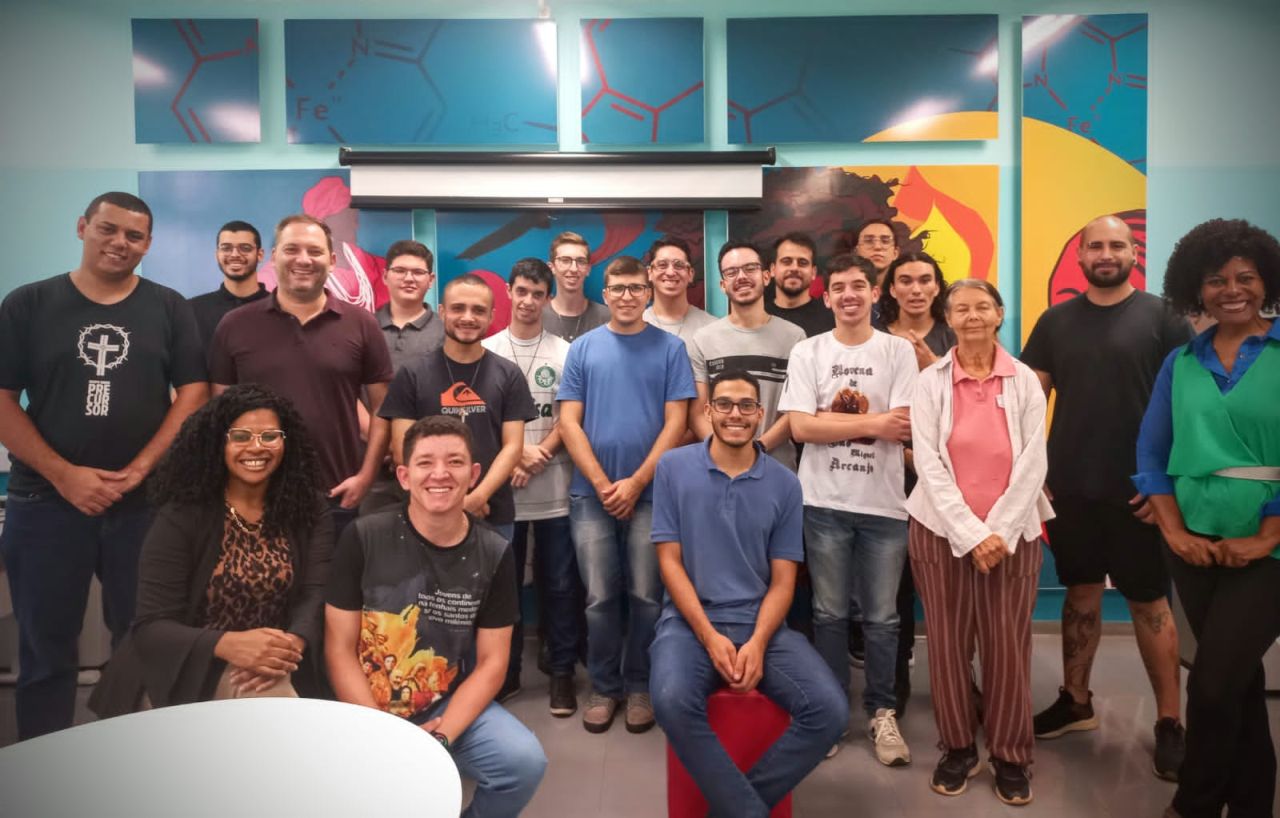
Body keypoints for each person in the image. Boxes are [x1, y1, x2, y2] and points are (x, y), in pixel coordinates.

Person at [0, 191, 208, 740]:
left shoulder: (169, 308)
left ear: (149, 244)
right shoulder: (28, 304)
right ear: (82, 227)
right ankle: (44, 763)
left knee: (143, 640)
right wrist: (64, 474)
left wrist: (139, 471)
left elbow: (193, 393)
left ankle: (128, 758)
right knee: (44, 648)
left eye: (134, 236)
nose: (120, 243)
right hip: (44, 501)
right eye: (108, 229)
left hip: (144, 504)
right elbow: (2, 398)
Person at [1021, 214, 1192, 780]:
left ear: (1133, 253)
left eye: (1116, 244)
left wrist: (1166, 484)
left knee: (1149, 603)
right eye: (1095, 245)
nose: (1105, 253)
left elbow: (1189, 406)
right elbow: (1027, 404)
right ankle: (1076, 702)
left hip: (1141, 492)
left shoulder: (1164, 317)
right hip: (1071, 487)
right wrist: (1032, 472)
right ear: (1080, 256)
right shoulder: (1055, 321)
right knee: (1080, 594)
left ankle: (1169, 721)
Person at [325, 416, 547, 818]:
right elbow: (339, 648)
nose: (440, 474)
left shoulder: (494, 552)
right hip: (363, 705)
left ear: (473, 475)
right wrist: (381, 732)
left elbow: (493, 663)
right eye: (425, 463)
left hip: (442, 705)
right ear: (405, 476)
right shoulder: (363, 537)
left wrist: (441, 738)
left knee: (523, 763)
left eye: (454, 462)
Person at [650, 369, 848, 818]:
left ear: (761, 415)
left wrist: (757, 642)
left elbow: (783, 581)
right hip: (688, 623)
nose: (734, 414)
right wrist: (708, 636)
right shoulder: (673, 468)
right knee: (671, 701)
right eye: (724, 404)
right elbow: (669, 563)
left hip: (762, 625)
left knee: (830, 712)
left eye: (745, 406)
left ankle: (734, 807)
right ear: (708, 411)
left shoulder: (785, 484)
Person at [1134, 218, 1280, 818]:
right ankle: (1251, 804)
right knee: (1238, 683)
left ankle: (1193, 803)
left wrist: (1268, 535)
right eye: (1216, 280)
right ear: (1197, 289)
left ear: (1266, 282)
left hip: (1269, 549)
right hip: (1192, 543)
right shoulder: (1181, 361)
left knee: (1212, 681)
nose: (1232, 290)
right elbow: (1151, 454)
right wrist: (1173, 531)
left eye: (1246, 277)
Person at [89, 385, 333, 715]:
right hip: (178, 668)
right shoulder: (182, 515)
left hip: (268, 662)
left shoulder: (309, 509)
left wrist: (288, 646)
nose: (256, 447)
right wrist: (229, 645)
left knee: (270, 693)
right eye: (241, 436)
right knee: (273, 706)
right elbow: (152, 627)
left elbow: (315, 592)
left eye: (270, 436)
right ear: (218, 442)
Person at [905, 279, 1053, 806]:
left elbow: (1034, 460)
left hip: (1012, 536)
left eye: (982, 307)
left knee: (1007, 646)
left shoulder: (1024, 380)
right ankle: (958, 748)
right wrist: (971, 534)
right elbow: (928, 462)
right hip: (938, 531)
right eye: (961, 308)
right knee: (947, 646)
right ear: (948, 318)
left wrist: (998, 532)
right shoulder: (931, 382)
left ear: (999, 314)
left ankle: (1011, 755)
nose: (972, 316)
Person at [778, 253, 916, 764]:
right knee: (828, 614)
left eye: (859, 285)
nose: (849, 295)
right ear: (827, 296)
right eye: (839, 287)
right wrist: (872, 423)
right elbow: (799, 428)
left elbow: (901, 425)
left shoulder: (898, 350)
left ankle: (882, 712)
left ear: (875, 293)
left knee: (882, 619)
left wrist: (828, 419)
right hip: (823, 502)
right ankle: (832, 712)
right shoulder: (808, 351)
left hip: (885, 506)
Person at [558, 255, 696, 734]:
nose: (627, 296)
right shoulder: (584, 349)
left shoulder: (671, 349)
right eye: (617, 288)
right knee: (598, 597)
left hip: (653, 494)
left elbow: (677, 423)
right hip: (590, 495)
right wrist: (602, 483)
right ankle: (604, 686)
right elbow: (569, 422)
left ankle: (640, 685)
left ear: (648, 291)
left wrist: (636, 482)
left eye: (636, 288)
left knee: (646, 596)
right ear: (606, 292)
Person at [209, 214, 394, 536]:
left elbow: (383, 409)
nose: (303, 260)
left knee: (335, 572)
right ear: (274, 256)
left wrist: (366, 476)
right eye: (292, 249)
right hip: (254, 496)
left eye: (315, 251)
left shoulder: (362, 324)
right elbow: (219, 411)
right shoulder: (234, 325)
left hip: (336, 495)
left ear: (332, 260)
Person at [855, 250, 958, 712]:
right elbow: (865, 408)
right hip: (888, 472)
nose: (916, 289)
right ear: (891, 289)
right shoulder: (874, 339)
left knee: (948, 589)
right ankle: (892, 685)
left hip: (946, 477)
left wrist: (932, 363)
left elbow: (970, 406)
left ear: (937, 286)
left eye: (925, 280)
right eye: (906, 281)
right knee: (893, 589)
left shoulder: (954, 336)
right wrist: (904, 454)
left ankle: (959, 684)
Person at [482, 258, 582, 716]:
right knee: (503, 588)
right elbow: (482, 419)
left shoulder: (566, 352)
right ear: (508, 291)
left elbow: (571, 415)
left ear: (548, 298)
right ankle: (506, 674)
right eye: (521, 291)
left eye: (537, 294)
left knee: (560, 586)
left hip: (555, 489)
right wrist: (516, 454)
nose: (527, 301)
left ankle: (562, 674)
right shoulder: (486, 351)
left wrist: (538, 454)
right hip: (501, 493)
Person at [379, 273, 535, 547]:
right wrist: (451, 503)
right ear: (442, 312)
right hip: (427, 514)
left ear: (491, 316)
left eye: (478, 310)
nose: (468, 317)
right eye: (458, 308)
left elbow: (513, 447)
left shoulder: (509, 374)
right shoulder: (412, 374)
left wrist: (477, 497)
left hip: (492, 512)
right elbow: (403, 448)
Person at [688, 241, 805, 470]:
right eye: (732, 272)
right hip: (719, 468)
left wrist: (757, 449)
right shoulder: (703, 339)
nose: (741, 277)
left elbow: (796, 410)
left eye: (750, 268)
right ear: (723, 284)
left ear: (766, 276)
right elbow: (698, 413)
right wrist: (725, 452)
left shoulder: (794, 337)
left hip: (777, 468)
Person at [188, 220, 269, 354]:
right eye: (226, 248)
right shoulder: (191, 311)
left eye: (245, 248)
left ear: (260, 255)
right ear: (217, 254)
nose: (235, 254)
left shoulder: (279, 309)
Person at [375, 239, 445, 372]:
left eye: (418, 272)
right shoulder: (366, 326)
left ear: (431, 280)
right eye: (400, 270)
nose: (408, 279)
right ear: (385, 276)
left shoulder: (445, 331)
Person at [642, 236, 715, 343]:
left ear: (690, 274)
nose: (670, 272)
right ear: (650, 273)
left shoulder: (711, 328)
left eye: (679, 265)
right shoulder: (634, 326)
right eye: (662, 265)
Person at [543, 231, 610, 343]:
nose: (574, 269)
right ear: (552, 267)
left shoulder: (607, 318)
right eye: (565, 260)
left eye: (581, 261)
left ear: (588, 269)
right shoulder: (537, 318)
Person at [764, 232, 834, 338]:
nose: (794, 268)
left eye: (803, 263)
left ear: (813, 272)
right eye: (786, 261)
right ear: (773, 270)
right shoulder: (758, 317)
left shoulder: (832, 319)